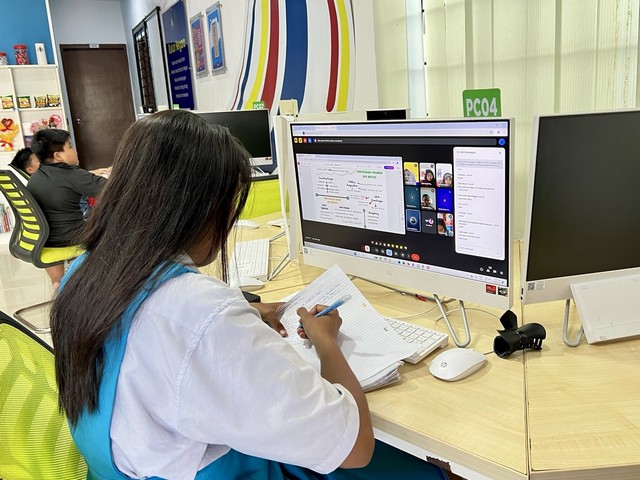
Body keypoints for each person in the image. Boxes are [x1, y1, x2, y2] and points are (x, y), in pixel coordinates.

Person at [51, 111, 448, 480]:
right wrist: (327, 342)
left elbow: (156, 338)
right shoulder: (198, 312)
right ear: (202, 209)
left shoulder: (83, 272)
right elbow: (356, 448)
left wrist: (246, 317)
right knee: (422, 470)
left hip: (136, 465)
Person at [27, 128, 107, 290]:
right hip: (73, 238)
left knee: (58, 282)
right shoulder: (72, 174)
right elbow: (112, 188)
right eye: (70, 146)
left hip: (45, 240)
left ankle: (58, 284)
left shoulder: (36, 177)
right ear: (58, 156)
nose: (74, 151)